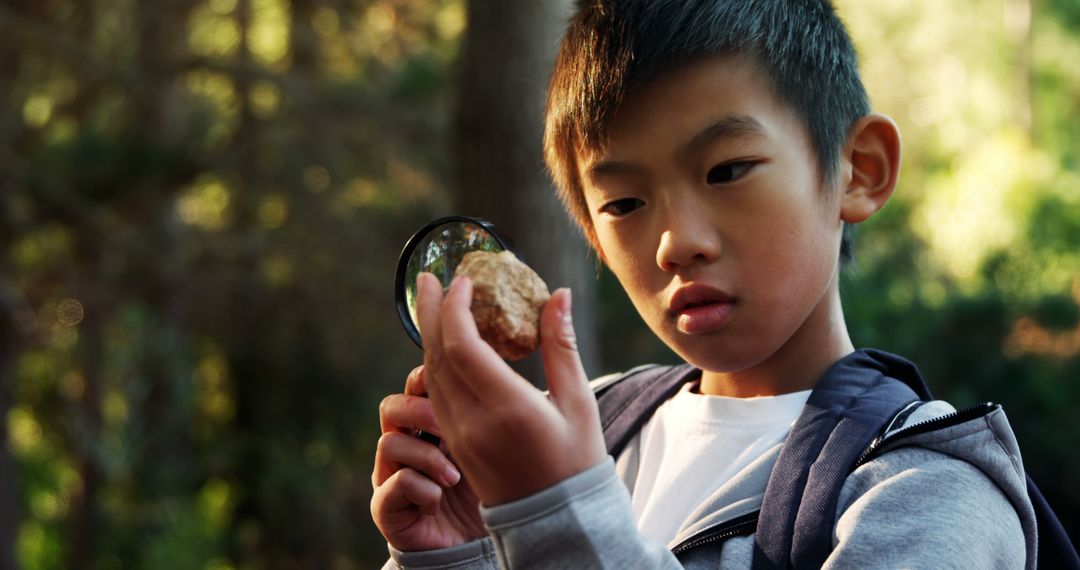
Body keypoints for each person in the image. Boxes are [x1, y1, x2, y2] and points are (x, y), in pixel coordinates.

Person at [371, 0, 1037, 567]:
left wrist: (556, 514)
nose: (675, 243)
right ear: (592, 238)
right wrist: (461, 550)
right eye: (624, 204)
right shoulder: (593, 427)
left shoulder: (928, 491)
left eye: (726, 170)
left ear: (858, 170)